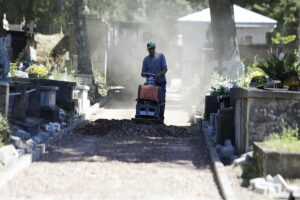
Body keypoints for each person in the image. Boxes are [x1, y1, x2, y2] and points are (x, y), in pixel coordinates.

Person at [141, 42, 168, 122]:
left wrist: (159, 74)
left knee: (161, 100)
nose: (152, 50)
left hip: (161, 83)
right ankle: (148, 115)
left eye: (153, 48)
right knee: (147, 98)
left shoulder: (161, 56)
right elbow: (143, 72)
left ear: (155, 48)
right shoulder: (146, 59)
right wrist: (143, 74)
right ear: (148, 50)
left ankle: (161, 118)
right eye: (150, 49)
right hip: (151, 84)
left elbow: (165, 69)